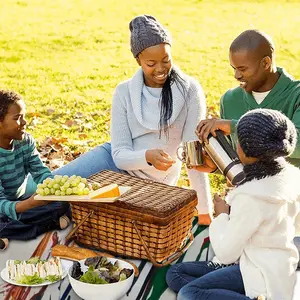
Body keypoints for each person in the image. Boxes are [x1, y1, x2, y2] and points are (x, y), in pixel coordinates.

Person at [51, 15, 212, 224]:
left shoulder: (190, 91)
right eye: (151, 63)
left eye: (166, 60)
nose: (161, 69)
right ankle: (11, 214)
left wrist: (205, 211)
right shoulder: (124, 92)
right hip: (112, 163)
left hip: (151, 185)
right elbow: (118, 155)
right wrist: (146, 156)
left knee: (79, 212)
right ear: (138, 60)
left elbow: (193, 156)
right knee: (49, 190)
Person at [166, 108, 300, 300]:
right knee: (175, 274)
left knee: (188, 293)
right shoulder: (292, 177)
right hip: (274, 267)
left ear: (244, 150)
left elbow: (226, 252)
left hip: (260, 277)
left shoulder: (251, 197)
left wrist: (222, 215)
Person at [195, 29, 300, 172]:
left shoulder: (296, 95)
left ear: (266, 63)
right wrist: (215, 167)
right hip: (249, 190)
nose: (236, 75)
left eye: (242, 69)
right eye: (234, 68)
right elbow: (239, 162)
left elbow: (296, 144)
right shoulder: (230, 99)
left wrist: (235, 127)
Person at [0, 90, 70, 250]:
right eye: (17, 118)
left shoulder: (25, 141)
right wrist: (29, 205)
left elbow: (40, 172)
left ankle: (10, 232)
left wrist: (55, 190)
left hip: (20, 200)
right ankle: (47, 224)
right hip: (4, 206)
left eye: (23, 116)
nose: (24, 122)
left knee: (64, 204)